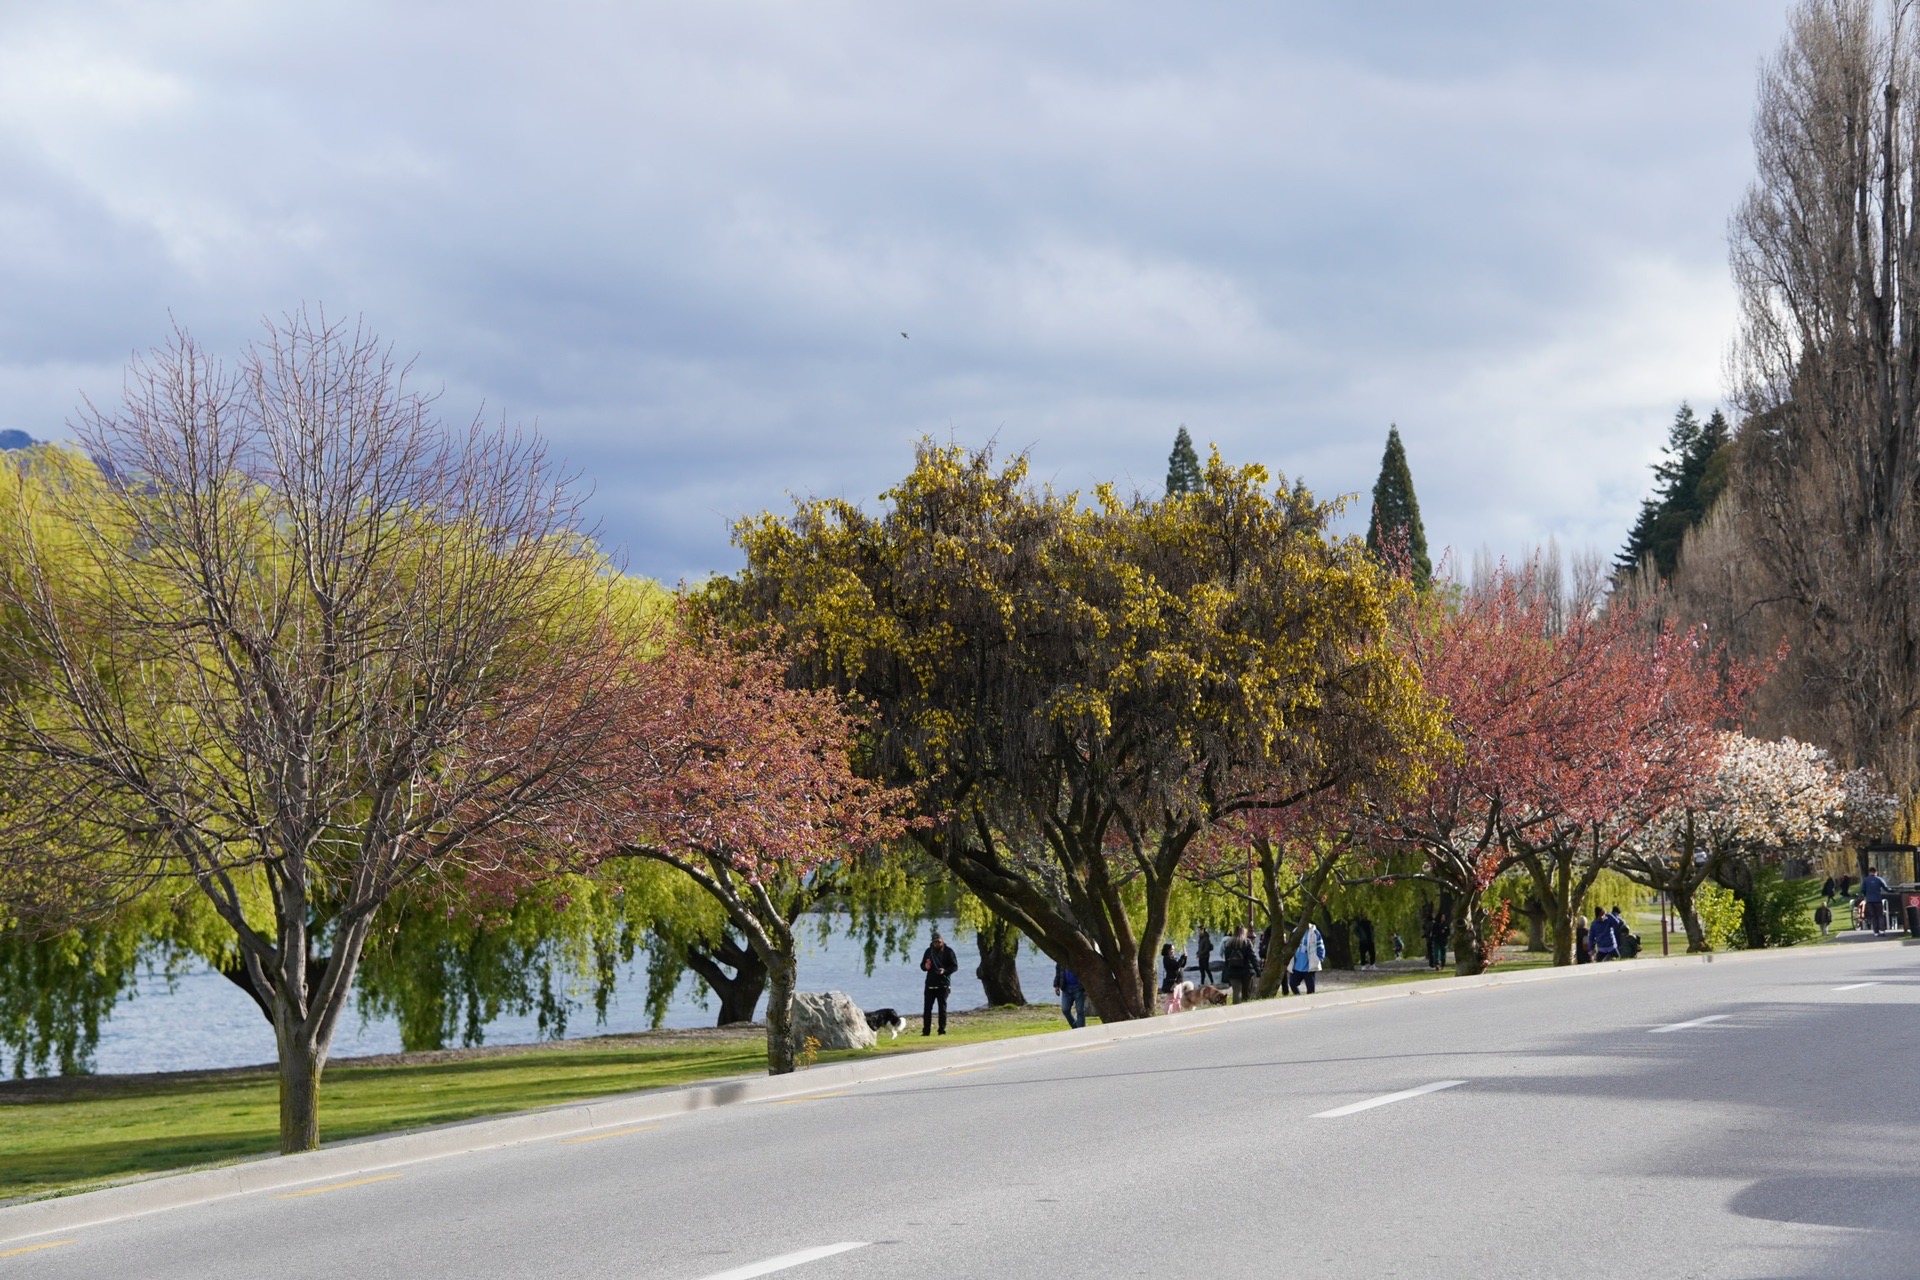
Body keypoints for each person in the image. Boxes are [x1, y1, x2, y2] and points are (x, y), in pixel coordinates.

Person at [919, 929, 960, 1035]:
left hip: (943, 984)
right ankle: (926, 1031)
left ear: (942, 941)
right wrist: (925, 966)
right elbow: (922, 966)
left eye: (939, 942)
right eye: (935, 942)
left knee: (942, 1008)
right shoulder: (928, 951)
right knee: (927, 1009)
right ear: (932, 942)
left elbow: (954, 966)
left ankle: (942, 1030)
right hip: (930, 984)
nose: (937, 944)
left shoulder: (949, 951)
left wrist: (945, 971)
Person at [1289, 921, 1326, 995]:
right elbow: (1290, 944)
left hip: (1309, 966)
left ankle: (1310, 1002)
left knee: (1310, 989)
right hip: (1297, 965)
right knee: (1292, 984)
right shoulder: (1295, 932)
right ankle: (1299, 998)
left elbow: (1320, 945)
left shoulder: (1314, 932)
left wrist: (1319, 958)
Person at [1221, 926, 1256, 1003]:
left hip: (1233, 972)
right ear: (1244, 933)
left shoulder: (1229, 943)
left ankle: (1236, 1010)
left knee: (1236, 992)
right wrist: (1257, 971)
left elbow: (1227, 960)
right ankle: (1246, 1010)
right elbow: (1253, 958)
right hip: (1246, 972)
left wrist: (1228, 971)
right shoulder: (1247, 942)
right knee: (1246, 993)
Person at [1053, 962, 1087, 1029]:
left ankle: (1081, 1029)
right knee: (1065, 1009)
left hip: (1078, 988)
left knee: (1080, 1011)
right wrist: (1056, 986)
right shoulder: (1061, 960)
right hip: (1066, 988)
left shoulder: (1077, 958)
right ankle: (1075, 1026)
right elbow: (1058, 973)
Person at [1863, 866, 1891, 935]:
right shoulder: (1879, 879)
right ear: (1876, 872)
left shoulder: (1865, 880)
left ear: (1869, 872)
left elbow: (1863, 890)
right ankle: (1882, 930)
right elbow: (1886, 888)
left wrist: (1866, 895)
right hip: (1878, 900)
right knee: (1880, 915)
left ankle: (1876, 932)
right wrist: (1892, 890)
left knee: (1873, 916)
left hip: (1869, 901)